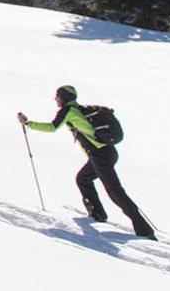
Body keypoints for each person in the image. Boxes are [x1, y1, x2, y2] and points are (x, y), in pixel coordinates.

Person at [18, 86, 155, 239]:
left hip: (100, 155)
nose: (55, 99)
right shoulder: (78, 109)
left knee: (115, 192)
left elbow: (52, 127)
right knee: (83, 179)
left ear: (63, 98)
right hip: (106, 153)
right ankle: (97, 214)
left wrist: (28, 123)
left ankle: (145, 231)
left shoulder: (67, 111)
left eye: (57, 96)